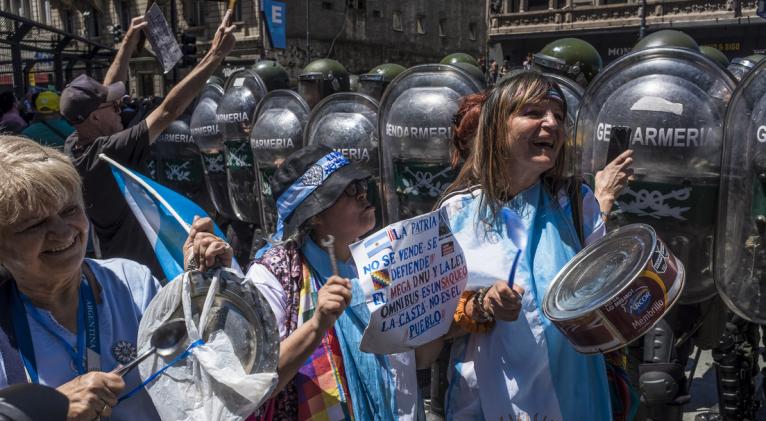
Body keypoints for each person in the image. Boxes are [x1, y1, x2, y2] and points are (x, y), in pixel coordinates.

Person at [0, 135, 232, 421]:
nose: (63, 233)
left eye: (70, 210)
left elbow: (197, 367)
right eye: (34, 224)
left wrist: (202, 286)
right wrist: (51, 409)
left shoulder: (131, 282)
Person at [427, 71, 616, 420]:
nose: (552, 124)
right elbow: (429, 324)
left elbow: (604, 301)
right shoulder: (456, 212)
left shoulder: (576, 203)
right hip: (487, 401)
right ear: (498, 126)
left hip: (573, 398)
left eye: (558, 116)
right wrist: (482, 306)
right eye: (534, 113)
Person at [246, 145, 420, 420]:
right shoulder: (274, 275)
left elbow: (420, 359)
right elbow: (255, 383)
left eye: (361, 184)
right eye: (349, 190)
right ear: (315, 215)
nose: (363, 193)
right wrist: (316, 325)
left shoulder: (386, 258)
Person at [61, 12, 236, 278]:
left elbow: (109, 89)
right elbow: (169, 111)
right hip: (144, 273)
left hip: (116, 265)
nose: (120, 108)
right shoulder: (109, 154)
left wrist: (129, 42)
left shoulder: (74, 143)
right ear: (95, 117)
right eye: (114, 106)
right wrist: (214, 55)